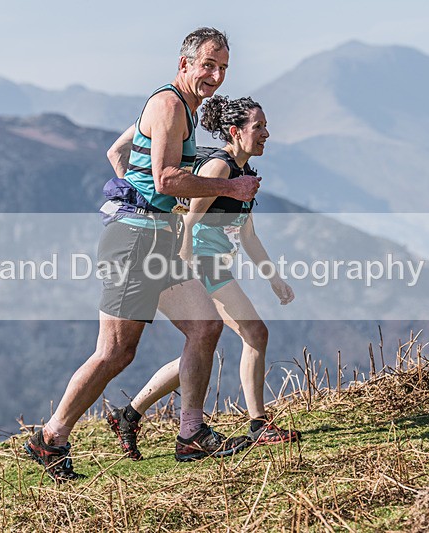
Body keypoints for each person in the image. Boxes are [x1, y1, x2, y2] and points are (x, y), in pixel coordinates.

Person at [23, 27, 261, 481]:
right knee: (115, 352)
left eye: (223, 68)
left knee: (206, 326)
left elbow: (118, 151)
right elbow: (167, 177)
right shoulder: (169, 105)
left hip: (157, 238)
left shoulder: (183, 108)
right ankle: (49, 439)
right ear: (184, 64)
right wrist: (229, 188)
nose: (216, 76)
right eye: (208, 65)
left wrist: (145, 200)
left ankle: (191, 433)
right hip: (135, 243)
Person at [106, 95, 301, 461]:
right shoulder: (218, 169)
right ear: (236, 132)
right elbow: (189, 222)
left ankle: (129, 414)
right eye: (258, 127)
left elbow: (248, 235)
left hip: (213, 265)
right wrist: (183, 270)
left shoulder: (242, 172)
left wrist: (274, 278)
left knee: (199, 350)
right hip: (200, 266)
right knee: (255, 334)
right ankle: (258, 425)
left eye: (265, 126)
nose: (266, 134)